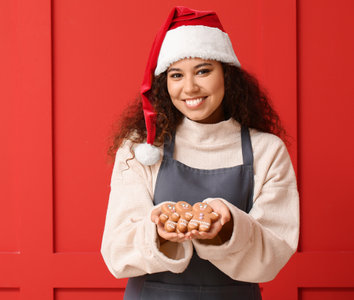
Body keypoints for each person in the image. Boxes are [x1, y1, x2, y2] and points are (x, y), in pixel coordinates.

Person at [101, 6, 299, 300]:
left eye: (203, 71)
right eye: (176, 75)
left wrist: (227, 227)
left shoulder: (266, 150)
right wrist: (160, 232)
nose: (190, 88)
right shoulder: (141, 148)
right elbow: (117, 252)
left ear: (226, 75)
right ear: (163, 84)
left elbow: (275, 251)